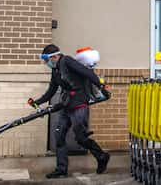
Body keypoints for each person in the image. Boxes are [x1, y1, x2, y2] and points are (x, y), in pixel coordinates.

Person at [30, 44, 111, 179]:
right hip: (66, 105)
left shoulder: (67, 61)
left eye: (46, 60)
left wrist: (100, 85)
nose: (46, 63)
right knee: (59, 136)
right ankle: (61, 169)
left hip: (79, 104)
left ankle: (102, 156)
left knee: (80, 138)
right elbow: (51, 90)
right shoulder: (55, 70)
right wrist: (37, 102)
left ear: (54, 57)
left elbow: (88, 73)